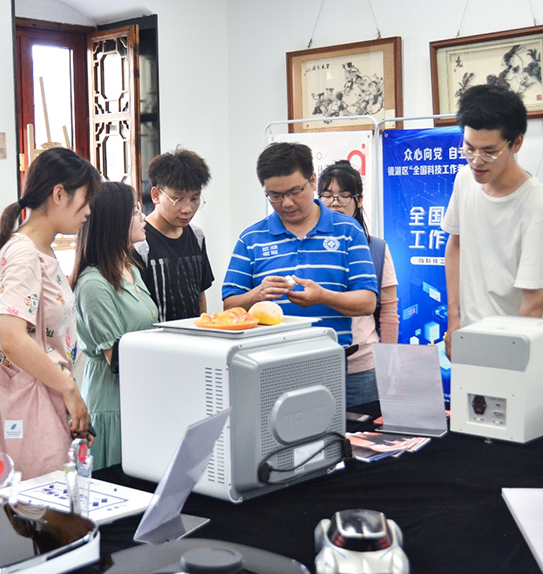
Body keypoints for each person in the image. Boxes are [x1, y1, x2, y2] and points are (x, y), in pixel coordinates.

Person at [0, 147, 101, 482]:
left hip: (42, 398)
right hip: (28, 406)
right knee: (41, 503)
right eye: (85, 200)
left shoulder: (38, 249)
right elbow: (10, 337)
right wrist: (69, 389)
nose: (88, 211)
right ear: (59, 194)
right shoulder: (24, 254)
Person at [441, 85, 543, 359]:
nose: (476, 161)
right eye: (469, 148)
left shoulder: (534, 204)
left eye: (489, 152)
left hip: (515, 344)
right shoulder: (464, 180)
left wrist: (508, 359)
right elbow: (455, 245)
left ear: (516, 143)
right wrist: (454, 319)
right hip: (470, 334)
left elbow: (533, 303)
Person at [222, 142, 378, 349]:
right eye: (275, 196)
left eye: (295, 191)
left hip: (328, 357)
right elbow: (229, 306)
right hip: (266, 357)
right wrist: (257, 294)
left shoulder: (348, 231)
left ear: (312, 181)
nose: (287, 203)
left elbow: (367, 302)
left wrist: (323, 297)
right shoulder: (251, 238)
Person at [72, 182, 159, 470]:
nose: (143, 217)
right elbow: (118, 359)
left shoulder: (130, 268)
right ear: (114, 222)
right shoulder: (93, 284)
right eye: (135, 212)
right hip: (112, 401)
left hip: (140, 393)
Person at [318, 160, 399, 407]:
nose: (335, 203)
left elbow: (389, 311)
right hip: (313, 364)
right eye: (327, 195)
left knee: (364, 430)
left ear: (359, 200)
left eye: (344, 196)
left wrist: (388, 362)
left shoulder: (376, 248)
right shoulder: (306, 245)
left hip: (362, 366)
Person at [134, 148, 214, 321]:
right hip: (155, 336)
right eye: (178, 199)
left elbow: (200, 295)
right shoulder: (140, 242)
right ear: (156, 195)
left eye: (195, 199)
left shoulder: (197, 236)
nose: (188, 209)